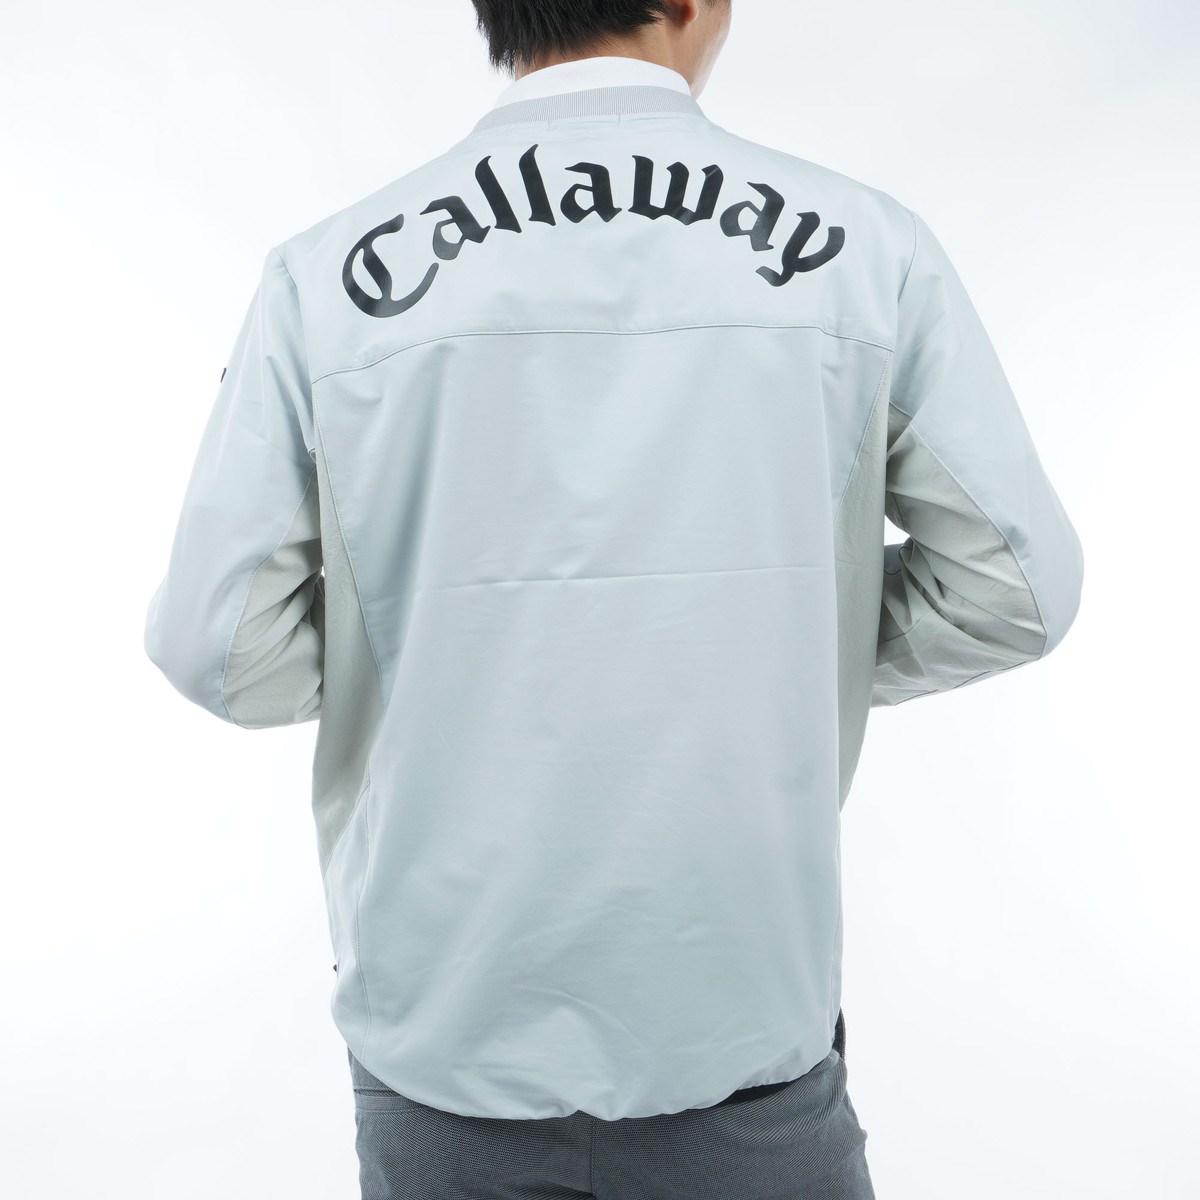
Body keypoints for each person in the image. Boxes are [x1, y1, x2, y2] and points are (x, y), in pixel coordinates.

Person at [143, 1, 1085, 1196]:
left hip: (445, 1060)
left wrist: (439, 653)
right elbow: (1017, 586)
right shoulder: (867, 250)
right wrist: (782, 641)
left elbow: (218, 644)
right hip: (741, 1050)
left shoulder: (321, 276)